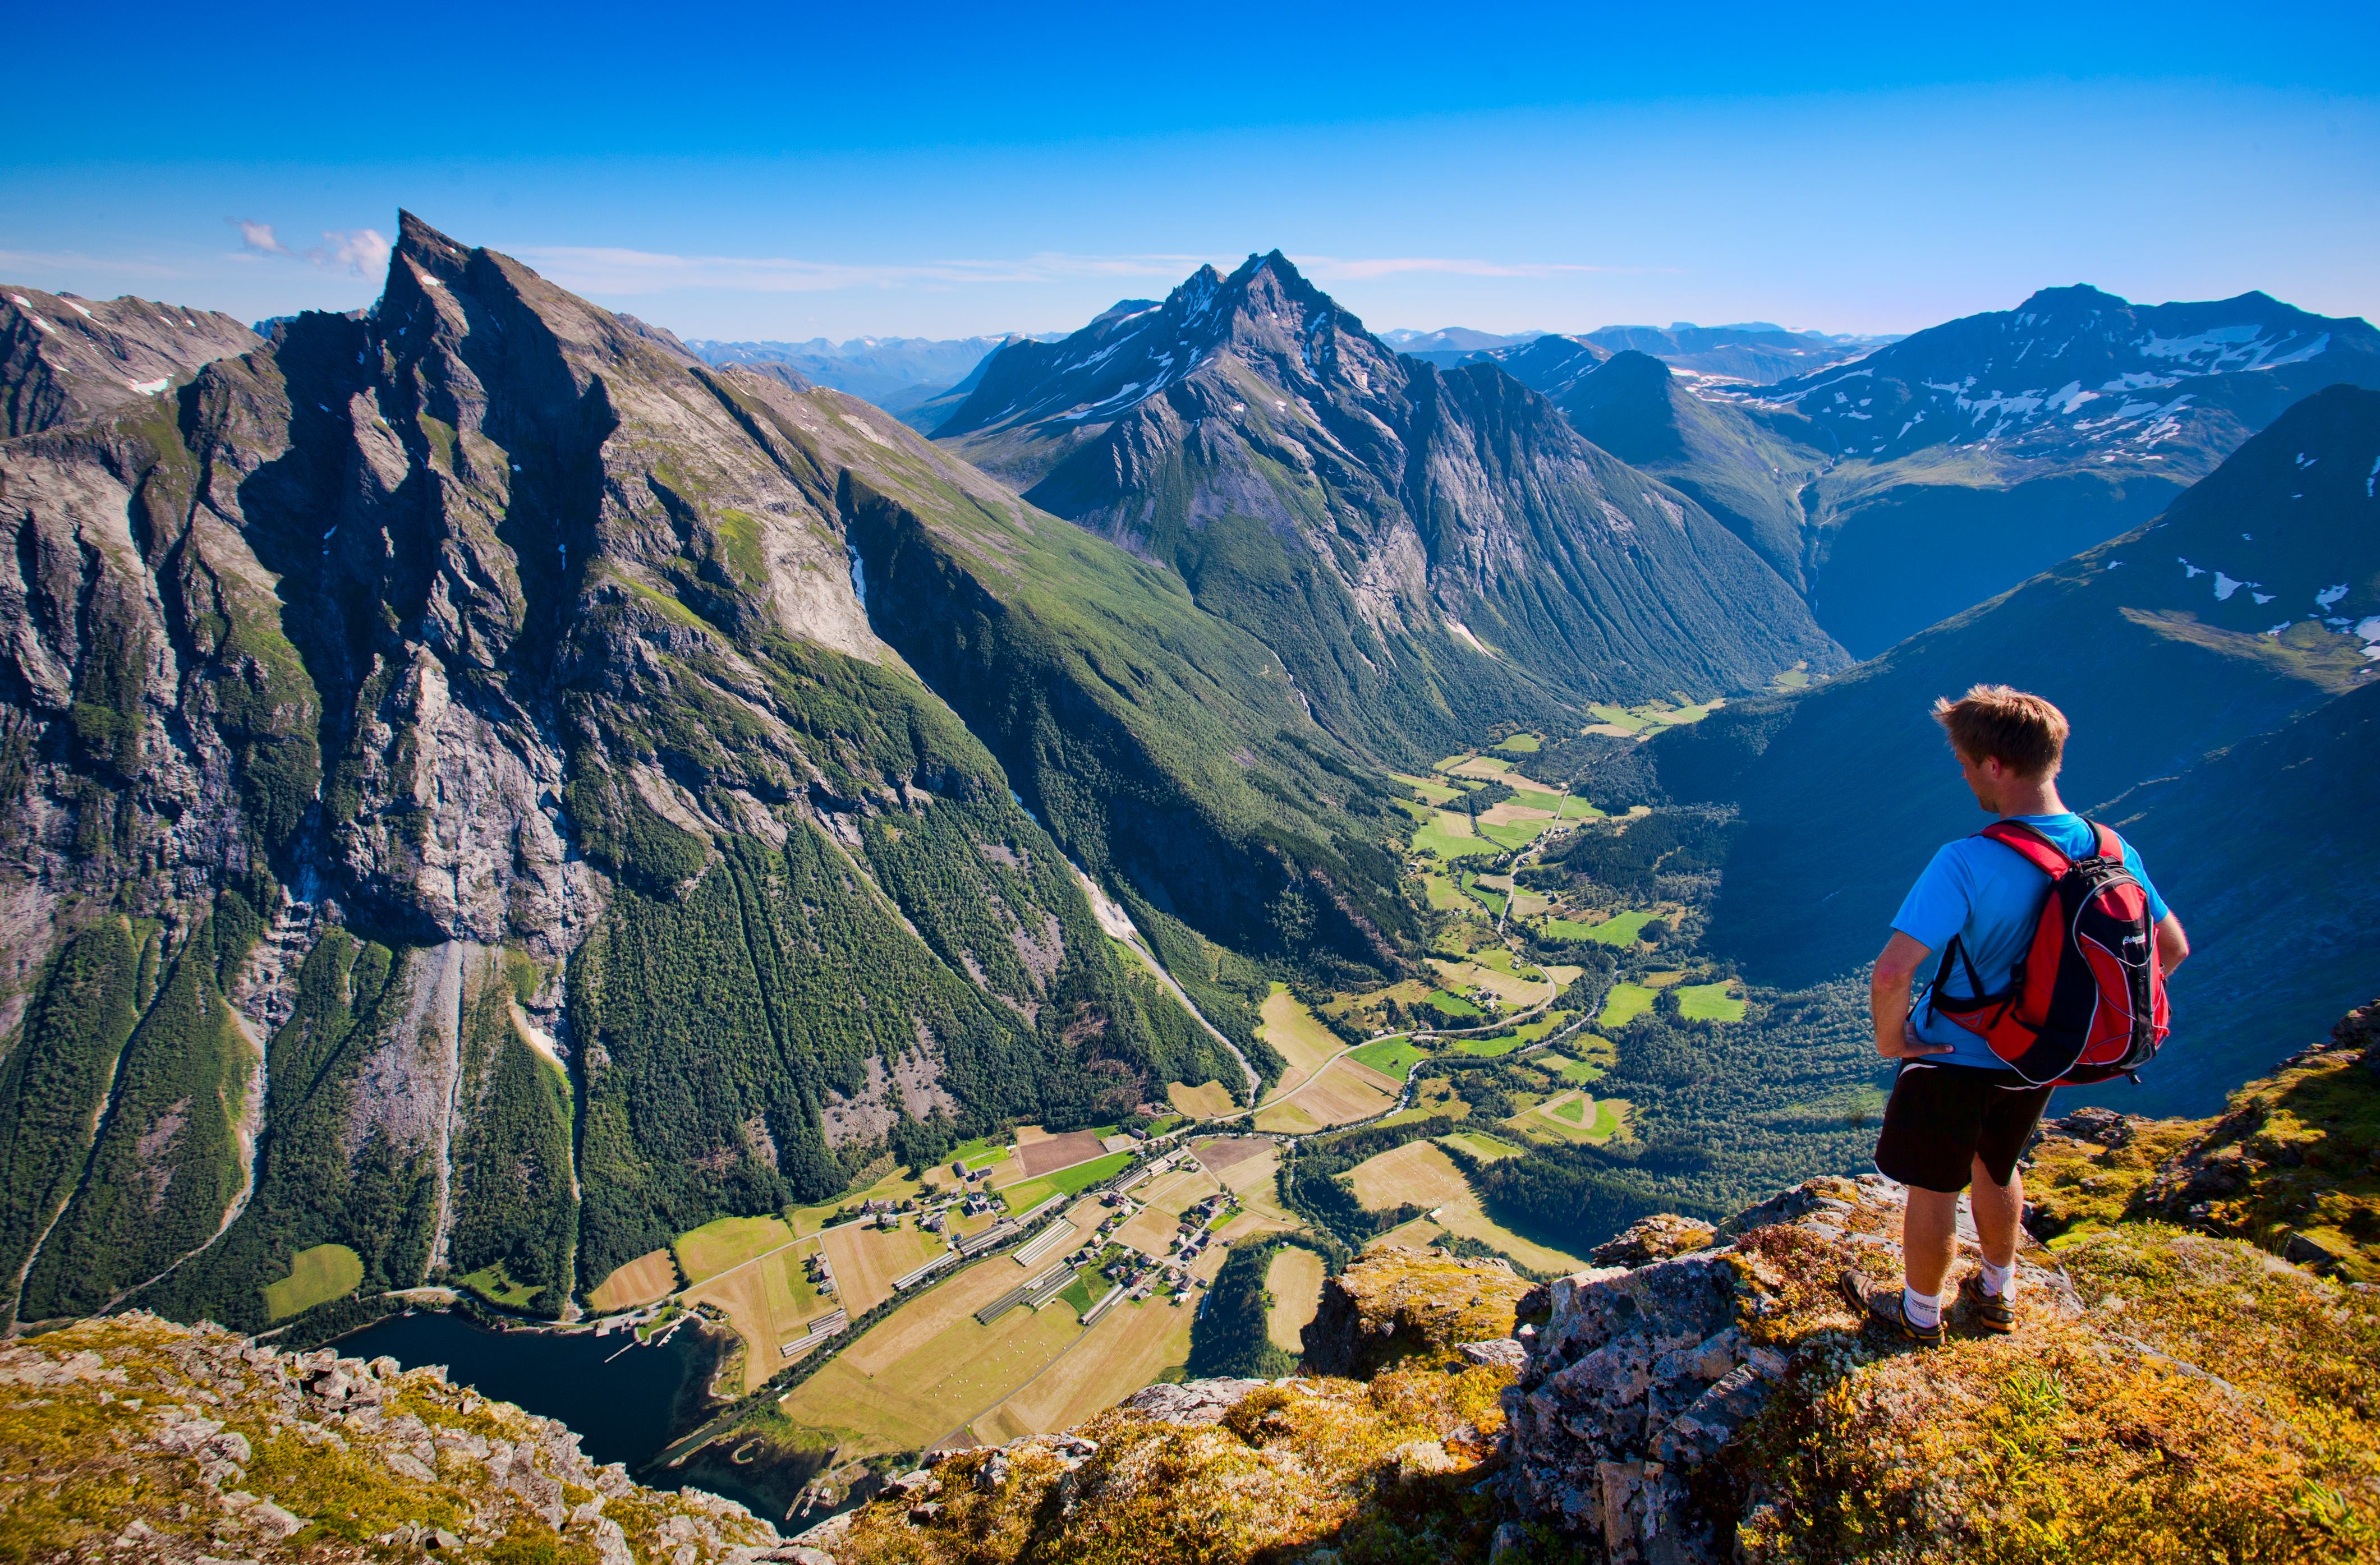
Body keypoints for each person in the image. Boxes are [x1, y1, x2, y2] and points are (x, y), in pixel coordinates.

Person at [1845, 685, 2189, 1346]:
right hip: (2039, 1056)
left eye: (1965, 763)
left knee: (1933, 1186)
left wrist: (1894, 1041)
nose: (1963, 774)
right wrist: (2071, 1017)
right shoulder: (2111, 849)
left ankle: (1919, 1315)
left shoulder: (1969, 859)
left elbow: (1892, 972)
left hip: (1955, 1054)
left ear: (1996, 766)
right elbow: (2171, 950)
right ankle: (1997, 1294)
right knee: (1998, 1165)